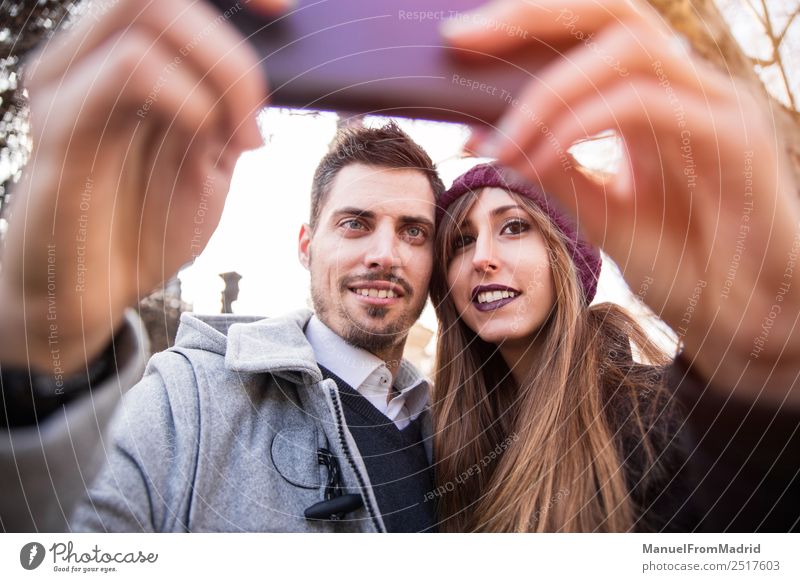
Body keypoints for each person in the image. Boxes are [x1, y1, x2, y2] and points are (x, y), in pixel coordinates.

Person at [70, 122, 446, 532]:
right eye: (355, 223)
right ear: (307, 247)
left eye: (413, 231)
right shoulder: (188, 399)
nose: (384, 255)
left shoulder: (449, 429)